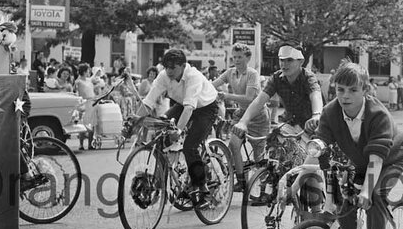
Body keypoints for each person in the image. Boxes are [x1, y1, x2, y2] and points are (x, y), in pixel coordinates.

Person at [304, 62, 403, 229]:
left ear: (365, 89)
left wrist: (365, 190)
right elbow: (321, 148)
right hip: (358, 164)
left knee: (375, 196)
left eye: (352, 90)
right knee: (344, 203)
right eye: (340, 90)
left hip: (389, 160)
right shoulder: (331, 112)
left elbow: (377, 160)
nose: (345, 96)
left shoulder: (377, 114)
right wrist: (305, 180)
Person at [131, 48, 221, 201]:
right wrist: (134, 122)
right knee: (160, 128)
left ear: (183, 65)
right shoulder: (163, 76)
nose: (169, 71)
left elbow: (189, 108)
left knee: (189, 146)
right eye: (166, 67)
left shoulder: (194, 76)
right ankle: (161, 180)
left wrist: (177, 131)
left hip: (206, 108)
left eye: (173, 67)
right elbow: (148, 102)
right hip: (181, 104)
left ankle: (201, 184)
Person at [232, 45, 323, 179]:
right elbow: (259, 100)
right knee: (275, 152)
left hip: (313, 126)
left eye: (289, 60)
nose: (284, 64)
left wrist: (316, 115)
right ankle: (272, 189)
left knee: (308, 166)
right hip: (291, 123)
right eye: (282, 60)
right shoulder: (276, 78)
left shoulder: (308, 77)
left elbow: (315, 95)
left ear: (301, 62)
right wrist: (243, 122)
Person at [215, 43, 269, 192]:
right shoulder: (230, 72)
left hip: (258, 116)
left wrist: (226, 96)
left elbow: (249, 98)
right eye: (234, 57)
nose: (236, 60)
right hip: (241, 115)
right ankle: (241, 180)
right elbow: (213, 84)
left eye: (240, 57)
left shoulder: (252, 74)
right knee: (233, 144)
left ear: (248, 58)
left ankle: (264, 191)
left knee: (259, 154)